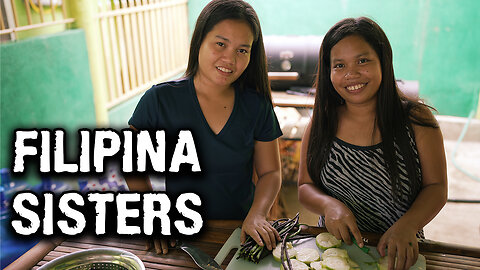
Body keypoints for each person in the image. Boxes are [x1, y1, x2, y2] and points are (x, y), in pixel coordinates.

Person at [126, 0, 282, 255]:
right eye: (220, 44)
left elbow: (271, 172)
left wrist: (257, 214)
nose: (230, 59)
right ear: (198, 40)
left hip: (240, 234)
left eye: (243, 50)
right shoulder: (160, 100)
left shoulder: (257, 106)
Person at [297, 17, 447, 270]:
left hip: (398, 254)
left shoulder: (416, 120)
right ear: (328, 71)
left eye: (363, 61)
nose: (351, 74)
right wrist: (328, 204)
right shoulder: (322, 122)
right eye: (339, 65)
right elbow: (304, 185)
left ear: (384, 62)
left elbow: (437, 187)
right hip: (334, 253)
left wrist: (408, 225)